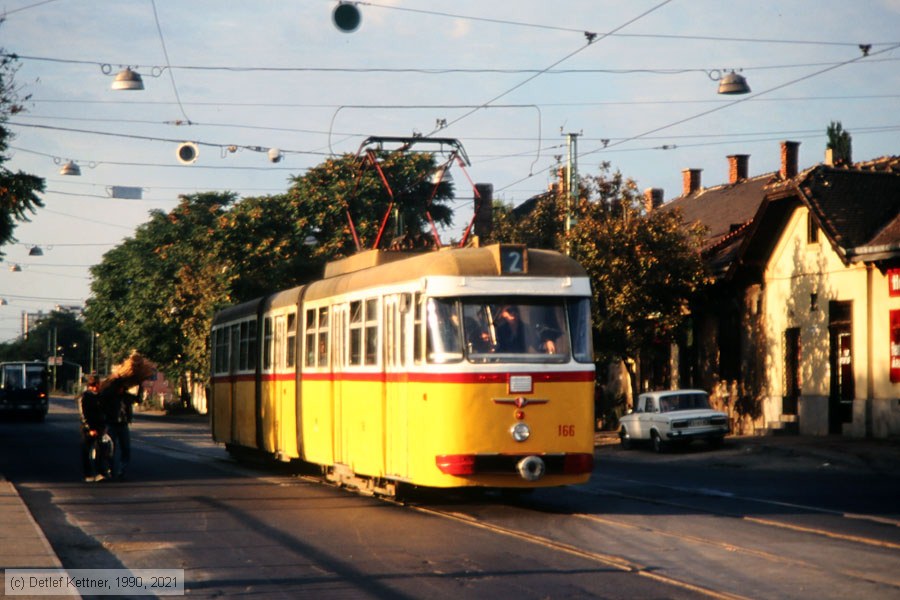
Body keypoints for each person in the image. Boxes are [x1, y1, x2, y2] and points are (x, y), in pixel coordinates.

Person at [78, 375, 106, 481]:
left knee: (100, 450)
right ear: (93, 385)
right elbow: (83, 415)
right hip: (88, 428)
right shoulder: (84, 397)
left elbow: (103, 412)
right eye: (97, 384)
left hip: (99, 427)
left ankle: (100, 472)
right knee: (86, 450)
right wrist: (89, 428)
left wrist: (103, 426)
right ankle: (88, 474)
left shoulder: (100, 396)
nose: (99, 386)